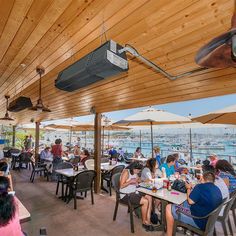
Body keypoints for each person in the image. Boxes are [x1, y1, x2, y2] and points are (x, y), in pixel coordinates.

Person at [166, 172, 223, 236]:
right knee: (183, 203)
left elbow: (190, 201)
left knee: (168, 207)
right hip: (208, 220)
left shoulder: (200, 187)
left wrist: (188, 188)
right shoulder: (217, 189)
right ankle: (178, 224)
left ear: (202, 179)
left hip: (198, 220)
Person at [120, 162, 154, 231]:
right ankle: (144, 222)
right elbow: (121, 186)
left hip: (134, 191)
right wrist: (130, 182)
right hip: (125, 194)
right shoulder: (126, 172)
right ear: (134, 168)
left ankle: (148, 218)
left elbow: (138, 179)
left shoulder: (135, 172)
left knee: (149, 196)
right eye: (138, 170)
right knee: (145, 201)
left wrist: (144, 180)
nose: (138, 172)